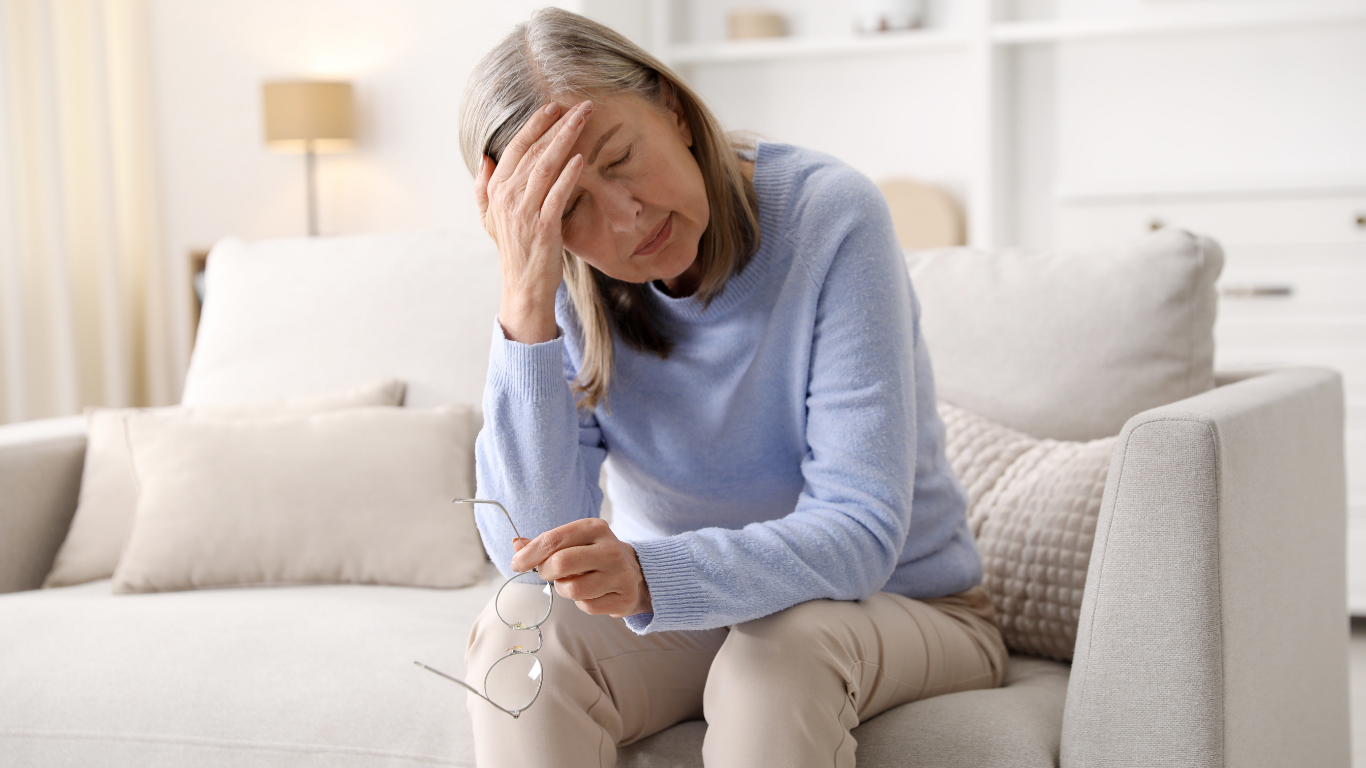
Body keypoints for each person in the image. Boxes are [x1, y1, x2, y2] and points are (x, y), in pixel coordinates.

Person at [458, 8, 1006, 767]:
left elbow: (861, 532)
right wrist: (525, 298)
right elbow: (533, 551)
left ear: (674, 110)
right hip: (696, 608)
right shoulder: (558, 281)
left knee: (776, 657)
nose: (625, 217)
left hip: (902, 605)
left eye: (619, 158)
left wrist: (654, 574)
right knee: (521, 637)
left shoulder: (830, 216)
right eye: (573, 205)